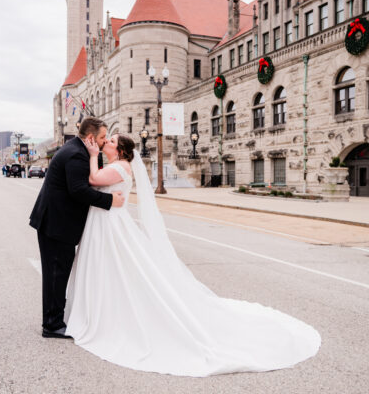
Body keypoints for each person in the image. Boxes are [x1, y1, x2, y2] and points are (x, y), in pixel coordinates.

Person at [64, 134, 321, 377]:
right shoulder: (118, 163)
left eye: (110, 140)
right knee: (112, 268)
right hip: (108, 222)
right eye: (106, 139)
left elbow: (94, 180)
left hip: (113, 225)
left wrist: (91, 153)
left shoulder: (120, 166)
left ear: (120, 150)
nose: (105, 142)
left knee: (123, 268)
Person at [29, 117, 125, 339]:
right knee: (55, 274)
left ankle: (55, 318)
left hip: (56, 221)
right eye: (102, 137)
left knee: (58, 272)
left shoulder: (79, 151)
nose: (104, 142)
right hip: (56, 223)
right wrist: (109, 200)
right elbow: (78, 190)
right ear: (91, 137)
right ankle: (52, 325)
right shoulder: (76, 155)